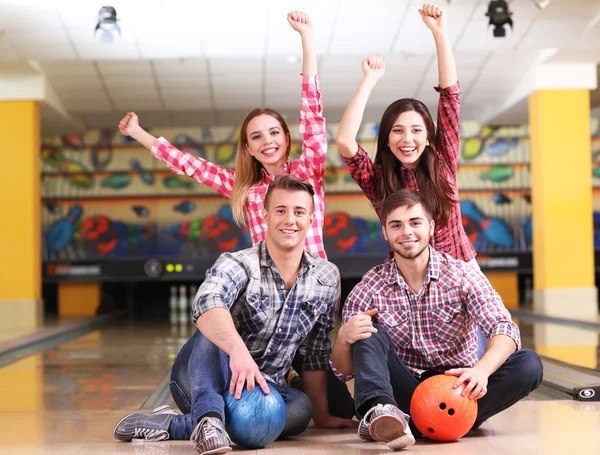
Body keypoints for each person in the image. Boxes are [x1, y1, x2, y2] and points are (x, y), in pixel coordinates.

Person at [114, 175, 356, 455]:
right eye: (280, 210)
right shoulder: (238, 262)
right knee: (213, 326)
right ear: (265, 215)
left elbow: (314, 351)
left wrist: (322, 416)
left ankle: (178, 425)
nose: (290, 219)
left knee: (301, 410)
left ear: (311, 219)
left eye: (299, 211)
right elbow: (207, 304)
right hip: (203, 377)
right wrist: (238, 352)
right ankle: (208, 417)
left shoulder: (326, 277)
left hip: (262, 388)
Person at [330, 189, 543, 450]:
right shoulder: (369, 287)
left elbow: (504, 327)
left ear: (431, 227)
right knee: (367, 328)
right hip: (405, 394)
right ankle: (382, 410)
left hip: (461, 395)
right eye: (396, 225)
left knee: (529, 364)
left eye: (415, 223)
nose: (406, 232)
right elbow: (344, 369)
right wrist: (343, 338)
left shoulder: (461, 275)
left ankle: (413, 424)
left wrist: (481, 371)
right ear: (385, 232)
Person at [118, 11, 329, 259]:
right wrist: (137, 132)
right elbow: (190, 165)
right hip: (267, 289)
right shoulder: (244, 187)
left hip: (316, 285)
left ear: (286, 138)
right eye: (256, 137)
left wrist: (308, 39)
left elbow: (311, 114)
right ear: (248, 147)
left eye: (273, 132)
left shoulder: (309, 171)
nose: (267, 141)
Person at [335, 3, 476, 264]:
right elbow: (345, 141)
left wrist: (440, 33)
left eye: (416, 130)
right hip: (406, 273)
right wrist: (369, 80)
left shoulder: (443, 160)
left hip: (459, 269)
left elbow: (450, 98)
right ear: (387, 140)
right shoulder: (377, 181)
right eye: (397, 131)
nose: (407, 139)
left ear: (428, 138)